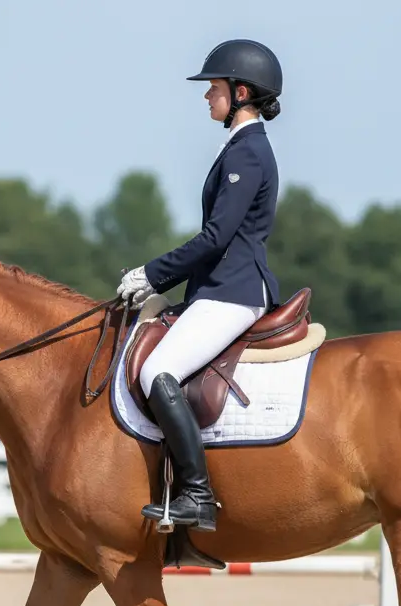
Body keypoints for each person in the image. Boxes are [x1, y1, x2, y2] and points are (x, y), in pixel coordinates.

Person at [116, 38, 283, 533]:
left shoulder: (248, 152)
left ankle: (197, 495)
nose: (207, 95)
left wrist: (152, 274)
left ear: (241, 92)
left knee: (157, 370)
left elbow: (216, 238)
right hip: (219, 287)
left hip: (235, 290)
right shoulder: (238, 147)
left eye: (214, 88)